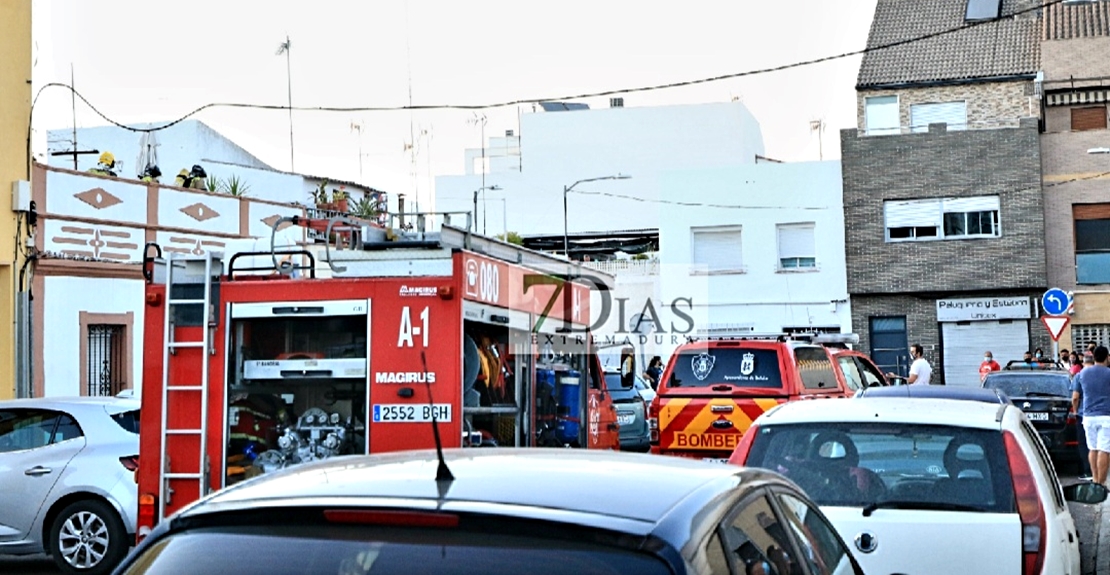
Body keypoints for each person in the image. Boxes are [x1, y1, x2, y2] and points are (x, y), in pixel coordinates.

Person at [1078, 346, 1110, 486]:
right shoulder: (1109, 373)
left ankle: (1095, 479)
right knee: (1104, 450)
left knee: (1092, 448)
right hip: (1106, 415)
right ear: (1107, 357)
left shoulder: (1083, 373)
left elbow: (1077, 395)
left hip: (1088, 416)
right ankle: (1101, 484)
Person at [1072, 353, 1095, 480]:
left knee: (1084, 444)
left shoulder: (1079, 376)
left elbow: (1075, 397)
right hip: (1102, 413)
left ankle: (1088, 471)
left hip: (1083, 415)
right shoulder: (1104, 374)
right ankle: (1098, 471)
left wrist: (1075, 411)